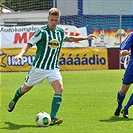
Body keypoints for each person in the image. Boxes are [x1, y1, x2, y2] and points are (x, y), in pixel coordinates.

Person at [8, 8, 96, 125]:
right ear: (48, 19)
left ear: (59, 19)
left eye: (56, 20)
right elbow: (28, 44)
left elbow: (69, 38)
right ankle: (15, 99)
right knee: (25, 88)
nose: (54, 22)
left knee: (59, 89)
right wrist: (20, 54)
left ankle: (53, 117)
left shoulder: (60, 32)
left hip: (53, 68)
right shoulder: (42, 32)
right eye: (52, 20)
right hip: (39, 68)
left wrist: (85, 38)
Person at [114, 31, 133, 118]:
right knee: (123, 90)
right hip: (132, 67)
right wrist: (123, 52)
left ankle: (126, 108)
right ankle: (119, 106)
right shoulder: (132, 35)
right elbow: (123, 50)